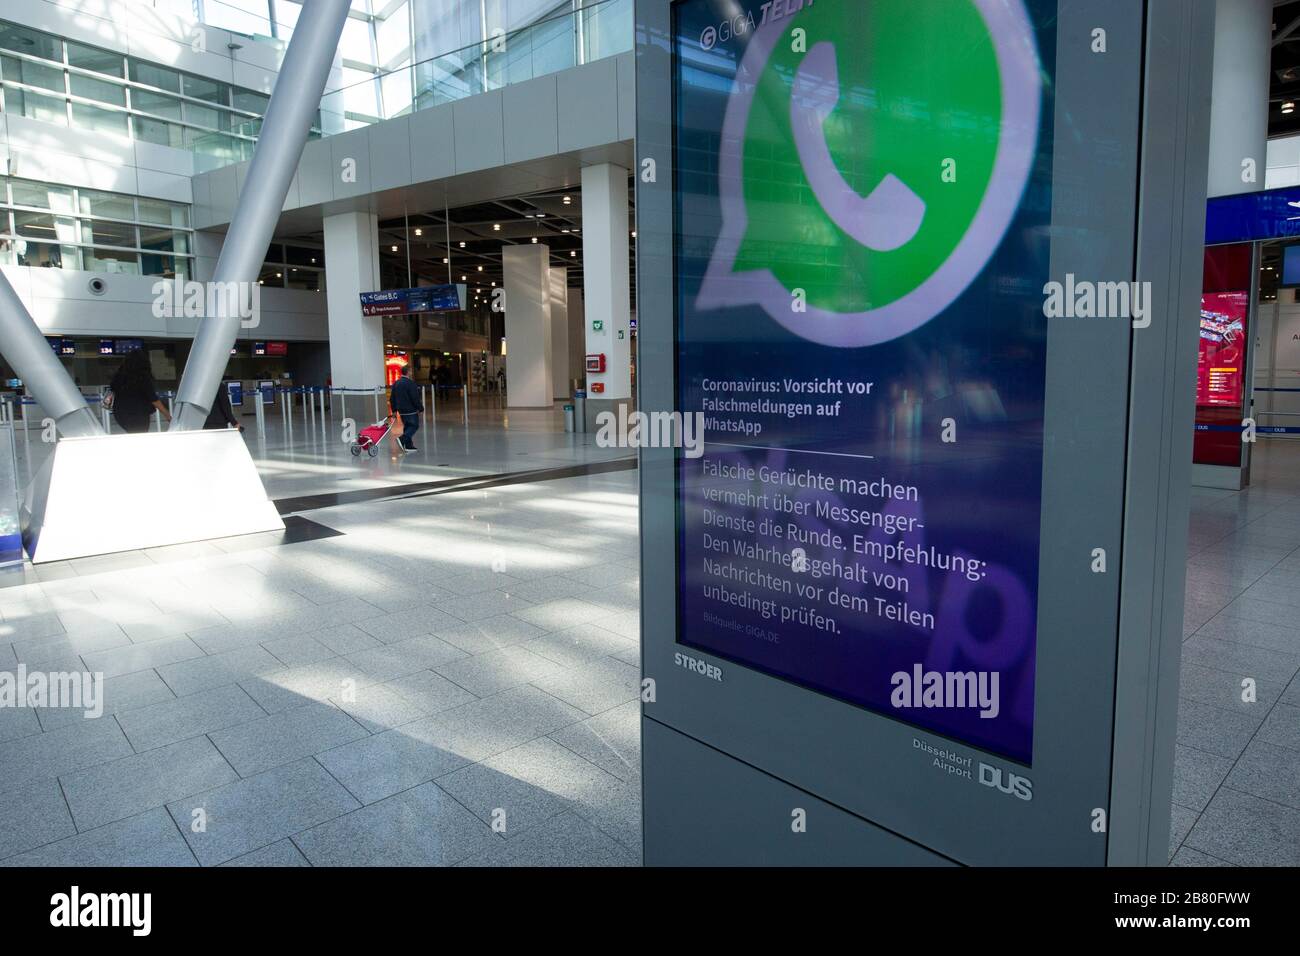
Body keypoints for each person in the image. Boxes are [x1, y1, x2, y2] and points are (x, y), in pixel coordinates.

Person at [108, 349, 169, 434]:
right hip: (138, 414)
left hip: (120, 413)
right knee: (140, 436)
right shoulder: (143, 377)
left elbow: (113, 390)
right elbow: (153, 399)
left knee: (133, 434)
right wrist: (167, 415)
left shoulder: (119, 376)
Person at [389, 366, 423, 452]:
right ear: (408, 372)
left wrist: (394, 410)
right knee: (414, 425)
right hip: (410, 409)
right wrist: (420, 408)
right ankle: (402, 439)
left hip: (401, 410)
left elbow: (392, 398)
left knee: (407, 426)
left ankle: (408, 445)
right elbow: (414, 397)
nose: (411, 373)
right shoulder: (410, 383)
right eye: (411, 371)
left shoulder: (396, 383)